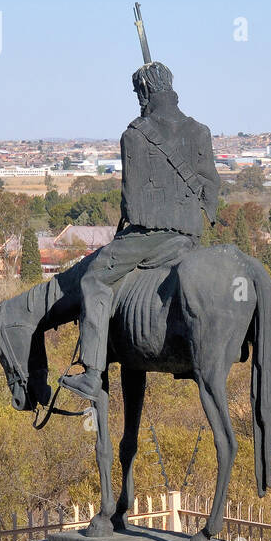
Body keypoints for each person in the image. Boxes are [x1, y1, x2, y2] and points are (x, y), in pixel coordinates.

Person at [59, 60, 220, 400]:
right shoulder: (200, 130)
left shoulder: (134, 134)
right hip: (190, 235)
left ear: (145, 91)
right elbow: (211, 187)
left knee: (93, 279)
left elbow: (133, 203)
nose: (137, 99)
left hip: (152, 237)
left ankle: (91, 372)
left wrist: (127, 228)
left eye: (137, 93)